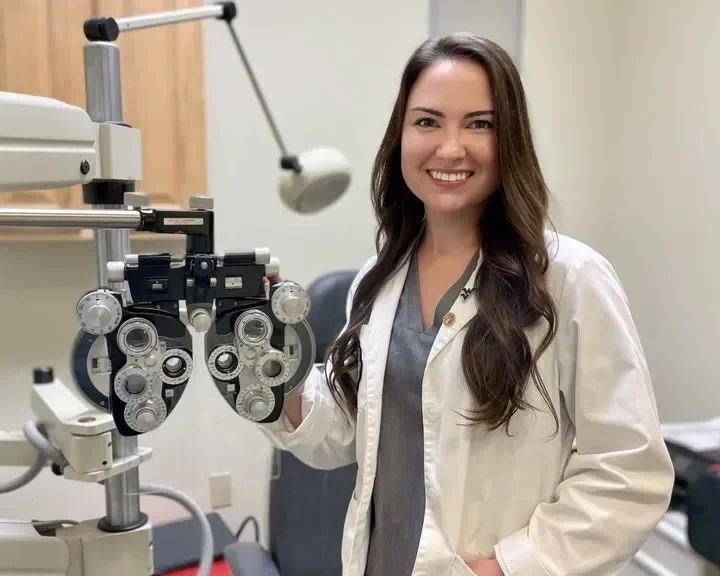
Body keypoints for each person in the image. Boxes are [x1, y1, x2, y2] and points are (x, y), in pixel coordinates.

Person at [260, 33, 674, 576]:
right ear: (400, 136)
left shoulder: (570, 279)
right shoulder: (380, 278)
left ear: (511, 141)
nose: (450, 148)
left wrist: (504, 568)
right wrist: (267, 359)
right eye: (428, 121)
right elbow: (345, 429)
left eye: (480, 124)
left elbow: (628, 475)